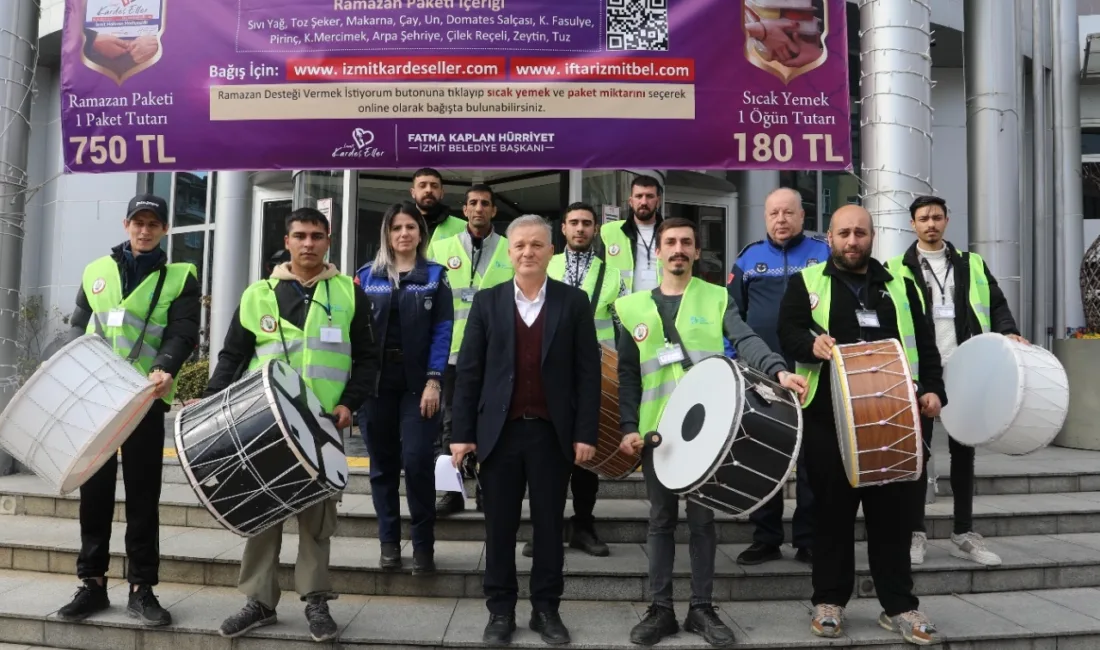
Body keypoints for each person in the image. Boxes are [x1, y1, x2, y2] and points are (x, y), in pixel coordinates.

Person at [615, 217, 807, 648]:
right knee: (661, 521)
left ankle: (701, 608)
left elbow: (746, 340)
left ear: (697, 253)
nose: (678, 249)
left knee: (702, 520)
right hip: (656, 435)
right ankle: (660, 609)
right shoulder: (630, 309)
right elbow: (628, 375)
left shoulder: (717, 297)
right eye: (670, 243)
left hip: (709, 430)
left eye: (686, 242)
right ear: (658, 252)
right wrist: (629, 427)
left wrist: (778, 370)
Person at [206, 208, 379, 642]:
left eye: (316, 236)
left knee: (317, 521)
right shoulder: (258, 294)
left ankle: (316, 601)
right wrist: (209, 404)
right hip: (264, 423)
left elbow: (368, 360)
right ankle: (259, 601)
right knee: (262, 511)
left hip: (322, 424)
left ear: (328, 240)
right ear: (287, 241)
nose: (308, 244)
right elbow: (231, 356)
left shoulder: (348, 292)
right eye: (300, 236)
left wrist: (349, 404)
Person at [777, 205, 943, 646]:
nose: (853, 241)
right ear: (828, 237)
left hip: (895, 416)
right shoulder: (806, 282)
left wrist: (933, 389)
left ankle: (899, 605)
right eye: (844, 233)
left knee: (893, 516)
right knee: (830, 513)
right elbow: (787, 332)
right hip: (828, 418)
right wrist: (810, 344)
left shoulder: (902, 285)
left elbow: (925, 343)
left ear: (872, 237)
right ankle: (829, 601)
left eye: (861, 233)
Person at [450, 215, 601, 646]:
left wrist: (585, 434)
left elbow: (588, 375)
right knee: (499, 527)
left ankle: (546, 610)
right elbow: (470, 373)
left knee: (550, 527)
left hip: (552, 435)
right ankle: (500, 612)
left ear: (551, 251)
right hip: (500, 434)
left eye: (537, 245)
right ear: (509, 252)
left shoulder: (574, 302)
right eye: (520, 246)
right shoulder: (488, 302)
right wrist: (462, 433)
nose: (528, 252)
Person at [56, 194, 200, 627]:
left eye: (154, 223)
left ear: (164, 231)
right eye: (139, 222)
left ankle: (142, 588)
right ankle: (93, 584)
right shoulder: (96, 271)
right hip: (96, 400)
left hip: (143, 399)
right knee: (93, 494)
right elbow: (77, 329)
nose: (145, 230)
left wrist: (165, 367)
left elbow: (183, 330)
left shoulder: (180, 276)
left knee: (142, 497)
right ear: (126, 225)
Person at [885, 195, 1026, 568]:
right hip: (921, 374)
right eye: (923, 218)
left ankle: (963, 532)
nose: (930, 224)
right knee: (919, 456)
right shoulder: (895, 269)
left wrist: (1008, 331)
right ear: (912, 224)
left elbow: (995, 304)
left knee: (965, 454)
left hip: (967, 369)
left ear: (947, 220)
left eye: (936, 217)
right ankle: (916, 533)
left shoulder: (971, 264)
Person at [727, 187, 828, 566]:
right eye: (773, 214)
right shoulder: (749, 258)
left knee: (811, 459)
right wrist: (734, 359)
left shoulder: (822, 253)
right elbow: (731, 314)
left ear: (803, 216)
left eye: (788, 213)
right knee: (763, 454)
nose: (781, 220)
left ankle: (808, 539)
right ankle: (765, 537)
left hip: (812, 373)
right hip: (761, 375)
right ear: (765, 218)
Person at [521, 202, 626, 560]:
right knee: (544, 453)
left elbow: (622, 325)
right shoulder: (542, 266)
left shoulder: (611, 275)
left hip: (590, 374)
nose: (580, 229)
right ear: (562, 229)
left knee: (586, 452)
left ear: (596, 229)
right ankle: (542, 527)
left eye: (587, 223)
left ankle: (583, 524)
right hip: (543, 372)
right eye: (573, 223)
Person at [354, 202, 453, 574]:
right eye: (396, 227)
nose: (404, 234)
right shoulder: (366, 277)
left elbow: (443, 330)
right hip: (376, 387)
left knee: (416, 463)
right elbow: (354, 333)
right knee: (382, 467)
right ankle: (389, 543)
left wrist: (434, 380)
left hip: (418, 386)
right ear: (387, 234)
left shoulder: (435, 276)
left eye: (410, 226)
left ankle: (423, 547)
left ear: (420, 233)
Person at [433, 184, 514, 517]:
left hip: (497, 354)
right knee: (449, 426)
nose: (479, 209)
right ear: (463, 210)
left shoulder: (510, 249)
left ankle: (486, 490)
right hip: (452, 353)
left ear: (494, 211)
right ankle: (450, 492)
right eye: (473, 204)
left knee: (493, 425)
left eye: (485, 204)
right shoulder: (440, 248)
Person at [601, 174, 665, 293]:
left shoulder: (670, 232)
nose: (644, 201)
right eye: (639, 196)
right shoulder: (609, 231)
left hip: (662, 306)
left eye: (650, 196)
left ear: (658, 201)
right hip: (623, 306)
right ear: (631, 201)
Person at [410, 167, 467, 257]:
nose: (428, 190)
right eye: (422, 185)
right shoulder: (399, 225)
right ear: (413, 193)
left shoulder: (463, 227)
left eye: (434, 186)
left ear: (442, 193)